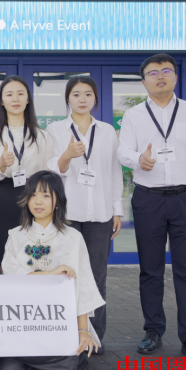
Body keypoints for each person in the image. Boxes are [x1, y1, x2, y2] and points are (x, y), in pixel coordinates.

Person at [117, 54, 186, 360]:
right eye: (153, 72)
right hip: (149, 199)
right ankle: (153, 330)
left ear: (174, 76)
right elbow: (123, 151)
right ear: (143, 81)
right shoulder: (133, 115)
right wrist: (138, 160)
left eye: (166, 71)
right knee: (150, 270)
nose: (160, 76)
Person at [0, 171, 104, 370]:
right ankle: (58, 363)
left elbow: (81, 285)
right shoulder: (15, 236)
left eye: (46, 195)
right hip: (25, 321)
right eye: (33, 194)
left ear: (58, 201)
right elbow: (11, 277)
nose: (38, 201)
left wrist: (83, 331)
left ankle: (69, 362)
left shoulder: (72, 237)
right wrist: (49, 274)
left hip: (60, 323)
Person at [45, 76, 122, 352]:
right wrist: (67, 155)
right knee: (65, 275)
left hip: (100, 213)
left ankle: (95, 337)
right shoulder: (55, 130)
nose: (82, 99)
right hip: (67, 214)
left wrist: (116, 210)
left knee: (97, 276)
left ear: (95, 99)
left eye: (88, 94)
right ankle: (66, 334)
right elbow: (51, 169)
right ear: (68, 98)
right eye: (76, 94)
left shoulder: (107, 131)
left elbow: (114, 172)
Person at [0, 75, 53, 274]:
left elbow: (48, 173)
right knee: (1, 252)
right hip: (1, 196)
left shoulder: (43, 135)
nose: (15, 99)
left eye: (20, 94)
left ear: (28, 99)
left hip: (34, 196)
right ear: (2, 101)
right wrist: (1, 163)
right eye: (9, 94)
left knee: (34, 252)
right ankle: (4, 291)